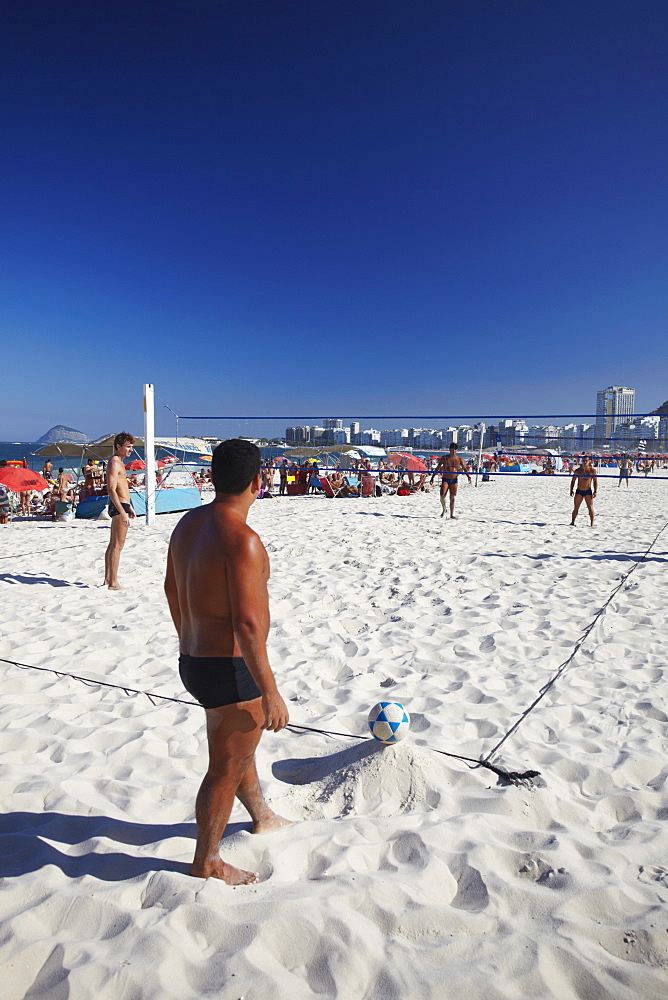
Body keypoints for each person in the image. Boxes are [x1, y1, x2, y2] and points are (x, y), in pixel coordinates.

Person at [164, 439, 290, 884]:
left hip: (193, 659)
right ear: (259, 481)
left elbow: (171, 589)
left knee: (237, 748)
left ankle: (262, 815)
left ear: (211, 477)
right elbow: (249, 627)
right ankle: (207, 861)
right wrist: (271, 692)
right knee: (225, 766)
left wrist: (188, 638)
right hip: (228, 668)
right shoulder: (244, 540)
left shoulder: (186, 525)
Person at [103, 432, 136, 590]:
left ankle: (108, 579)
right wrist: (123, 512)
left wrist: (129, 506)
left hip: (123, 504)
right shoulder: (115, 462)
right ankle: (113, 583)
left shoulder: (119, 462)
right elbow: (111, 489)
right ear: (118, 446)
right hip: (118, 506)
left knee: (112, 544)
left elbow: (122, 487)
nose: (131, 450)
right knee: (118, 545)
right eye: (128, 447)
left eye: (132, 447)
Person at [432, 443, 471, 518]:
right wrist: (432, 477)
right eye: (452, 450)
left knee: (452, 498)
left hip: (454, 479)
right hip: (445, 479)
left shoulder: (459, 459)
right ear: (449, 450)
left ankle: (451, 514)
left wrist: (468, 476)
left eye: (455, 450)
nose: (453, 451)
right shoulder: (444, 458)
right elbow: (438, 467)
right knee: (442, 496)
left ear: (456, 450)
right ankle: (444, 509)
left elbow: (465, 468)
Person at [570, 456, 597, 526]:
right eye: (583, 461)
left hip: (588, 491)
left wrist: (595, 491)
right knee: (576, 507)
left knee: (590, 507)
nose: (585, 462)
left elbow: (595, 481)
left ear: (589, 461)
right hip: (579, 491)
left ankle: (592, 523)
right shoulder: (578, 470)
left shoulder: (592, 470)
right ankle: (572, 522)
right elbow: (573, 480)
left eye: (586, 461)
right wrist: (571, 490)